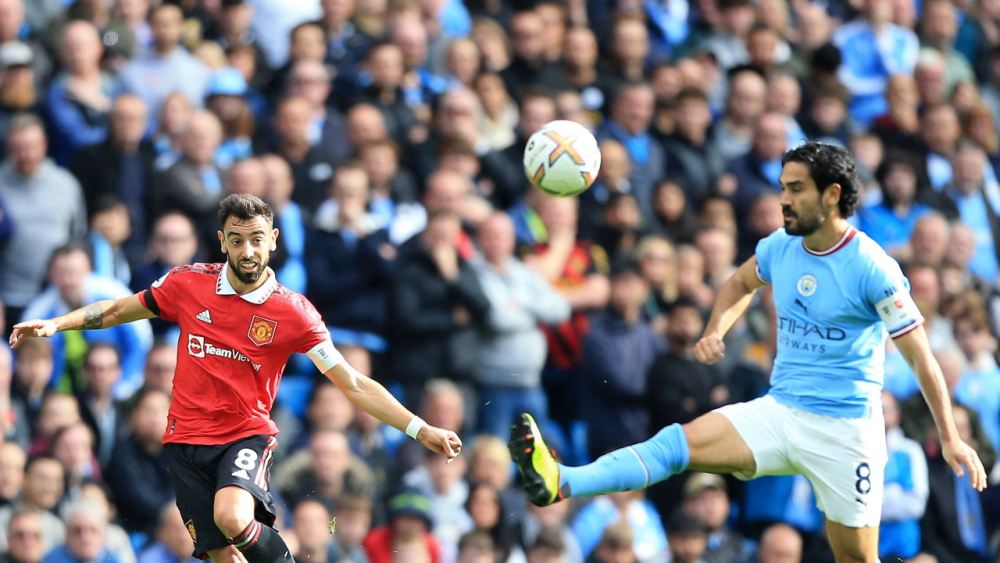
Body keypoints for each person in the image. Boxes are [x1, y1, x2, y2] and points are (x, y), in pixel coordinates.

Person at [508, 142, 986, 563]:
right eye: (782, 187)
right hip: (781, 412)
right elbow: (740, 283)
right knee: (676, 444)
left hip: (847, 433)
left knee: (856, 559)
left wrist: (949, 437)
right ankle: (561, 481)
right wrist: (716, 328)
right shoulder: (781, 246)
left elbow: (921, 357)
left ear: (832, 194)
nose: (783, 199)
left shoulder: (872, 267)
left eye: (795, 189)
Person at [9, 193, 462, 563]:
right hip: (183, 441)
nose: (248, 251)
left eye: (257, 239)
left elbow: (353, 383)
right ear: (222, 240)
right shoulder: (187, 283)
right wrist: (57, 323)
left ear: (274, 240)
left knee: (231, 516)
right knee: (224, 556)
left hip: (244, 435)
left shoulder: (294, 313)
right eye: (238, 240)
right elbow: (115, 310)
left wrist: (420, 428)